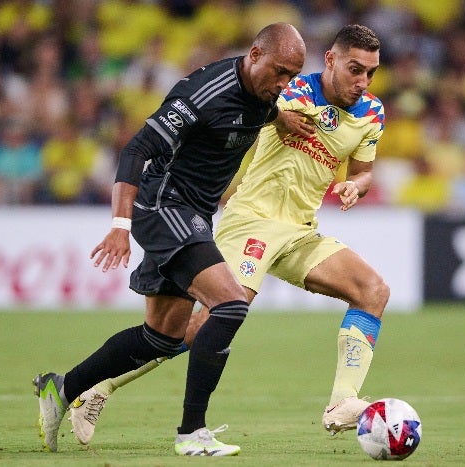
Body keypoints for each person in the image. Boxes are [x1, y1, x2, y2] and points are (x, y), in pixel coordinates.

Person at [68, 24, 389, 446]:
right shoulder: (287, 92)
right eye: (355, 69)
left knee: (372, 291)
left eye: (370, 73)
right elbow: (240, 95)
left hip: (300, 231)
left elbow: (364, 172)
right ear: (329, 60)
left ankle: (343, 401)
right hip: (250, 222)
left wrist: (355, 186)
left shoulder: (371, 113)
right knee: (205, 325)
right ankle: (99, 388)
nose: (362, 81)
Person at [33, 22, 307, 457]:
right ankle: (191, 433)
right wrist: (119, 226)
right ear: (254, 55)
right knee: (231, 304)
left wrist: (282, 118)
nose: (284, 83)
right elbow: (135, 150)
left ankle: (62, 388)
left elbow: (257, 109)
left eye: (292, 75)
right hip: (164, 205)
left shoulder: (265, 95)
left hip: (194, 213)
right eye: (279, 72)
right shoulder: (200, 94)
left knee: (161, 337)